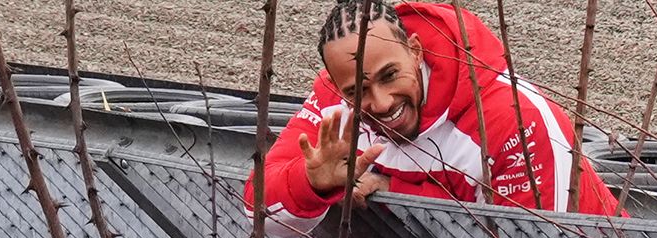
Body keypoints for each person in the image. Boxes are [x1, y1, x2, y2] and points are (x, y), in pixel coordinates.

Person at [247, 0, 622, 219]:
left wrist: (399, 196)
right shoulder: (336, 99)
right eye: (357, 91)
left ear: (415, 49)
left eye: (390, 75)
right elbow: (255, 208)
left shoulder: (514, 118)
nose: (381, 102)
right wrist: (313, 183)